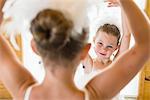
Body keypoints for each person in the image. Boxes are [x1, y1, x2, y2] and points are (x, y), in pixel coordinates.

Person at [0, 0, 149, 100]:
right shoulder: (95, 95)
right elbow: (145, 43)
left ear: (35, 47)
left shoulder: (23, 91)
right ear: (85, 50)